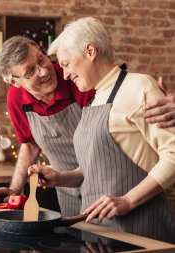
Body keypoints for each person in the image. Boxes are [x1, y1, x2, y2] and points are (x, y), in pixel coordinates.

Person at [0, 35, 175, 217]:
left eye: (41, 59)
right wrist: (15, 188)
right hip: (66, 190)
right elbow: (30, 144)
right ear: (14, 82)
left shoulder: (77, 79)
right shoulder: (15, 98)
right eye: (30, 72)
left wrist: (155, 98)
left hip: (115, 188)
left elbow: (123, 101)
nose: (45, 72)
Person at [41, 17, 175, 243]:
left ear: (90, 51)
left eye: (66, 64)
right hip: (98, 232)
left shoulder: (139, 87)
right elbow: (98, 167)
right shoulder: (95, 98)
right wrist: (61, 178)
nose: (64, 75)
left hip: (141, 230)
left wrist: (128, 201)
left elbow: (173, 155)